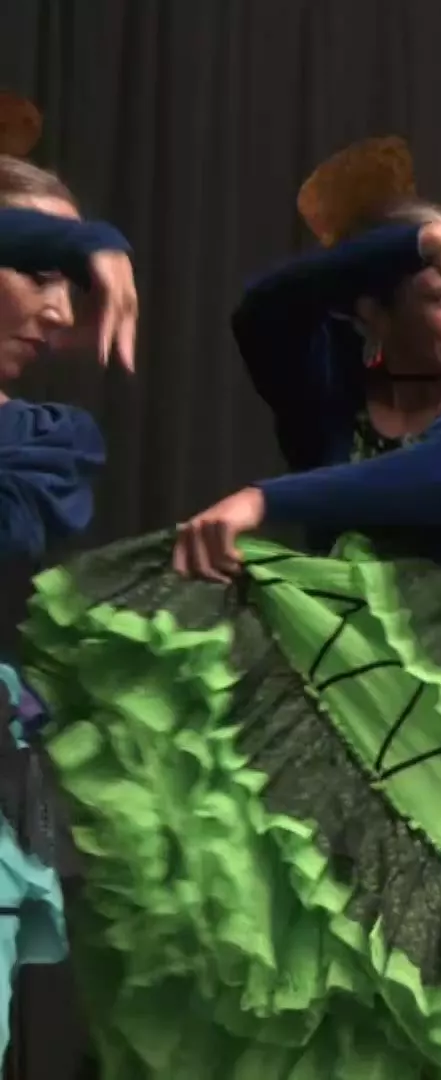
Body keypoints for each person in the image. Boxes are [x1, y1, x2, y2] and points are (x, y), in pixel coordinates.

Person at [19, 136, 441, 1079]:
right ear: (371, 311)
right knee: (315, 961)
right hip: (327, 703)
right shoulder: (332, 387)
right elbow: (264, 310)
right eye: (439, 296)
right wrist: (424, 240)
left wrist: (270, 499)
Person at [0, 95, 134, 1062]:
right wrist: (99, 242)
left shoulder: (40, 445)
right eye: (39, 270)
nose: (61, 310)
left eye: (72, 283)